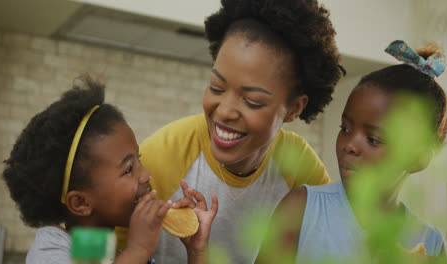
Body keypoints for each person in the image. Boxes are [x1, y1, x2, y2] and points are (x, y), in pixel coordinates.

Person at [113, 0, 344, 263]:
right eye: (216, 87)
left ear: (293, 108)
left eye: (252, 101)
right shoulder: (163, 155)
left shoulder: (301, 169)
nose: (224, 111)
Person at [256, 40, 447, 263]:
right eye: (345, 128)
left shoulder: (429, 241)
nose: (349, 145)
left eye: (373, 139)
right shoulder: (301, 208)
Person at [2, 76, 218, 264]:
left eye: (139, 160)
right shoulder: (52, 246)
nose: (146, 175)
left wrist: (196, 251)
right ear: (81, 203)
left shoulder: (117, 254)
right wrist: (138, 250)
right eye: (128, 169)